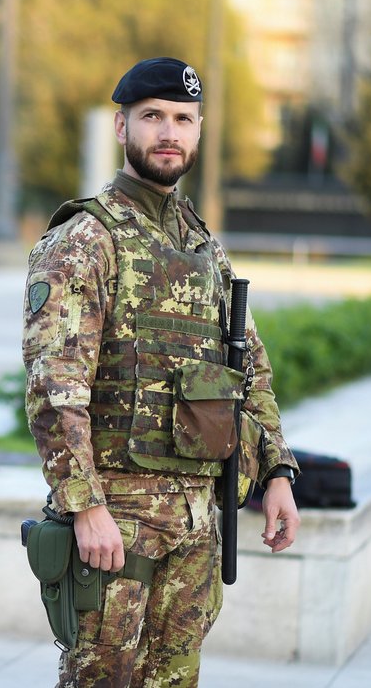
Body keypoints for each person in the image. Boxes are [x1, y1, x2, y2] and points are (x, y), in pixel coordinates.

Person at [22, 57, 301, 687]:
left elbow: (249, 370)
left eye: (183, 119)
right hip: (117, 524)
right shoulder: (86, 238)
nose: (168, 131)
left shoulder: (203, 245)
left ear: (199, 133)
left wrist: (278, 472)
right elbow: (54, 386)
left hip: (198, 519)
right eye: (152, 117)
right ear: (122, 129)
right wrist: (84, 506)